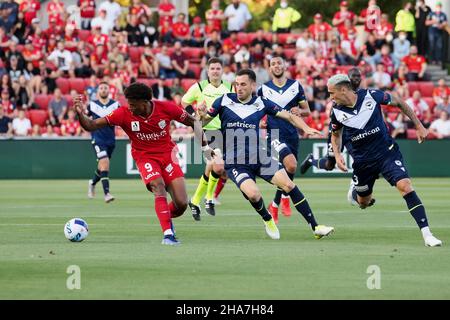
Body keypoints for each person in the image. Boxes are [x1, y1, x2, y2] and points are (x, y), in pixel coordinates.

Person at [198, 69, 334, 240]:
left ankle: (316, 227)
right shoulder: (224, 101)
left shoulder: (261, 102)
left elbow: (290, 117)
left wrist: (306, 128)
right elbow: (200, 124)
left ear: (253, 85)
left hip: (259, 156)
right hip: (235, 161)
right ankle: (267, 218)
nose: (238, 88)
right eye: (236, 84)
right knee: (254, 194)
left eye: (243, 84)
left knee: (289, 185)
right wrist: (200, 115)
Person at [74, 82, 213, 245]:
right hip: (144, 157)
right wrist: (80, 114)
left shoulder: (166, 108)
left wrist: (205, 148)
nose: (130, 107)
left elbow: (193, 122)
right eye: (128, 104)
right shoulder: (122, 113)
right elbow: (91, 125)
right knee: (158, 187)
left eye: (133, 104)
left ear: (145, 102)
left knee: (182, 204)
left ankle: (164, 216)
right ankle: (168, 234)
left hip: (168, 156)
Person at [327, 74, 442, 247]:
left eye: (331, 93)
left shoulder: (371, 96)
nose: (331, 97)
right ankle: (354, 193)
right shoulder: (336, 111)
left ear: (343, 89)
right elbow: (335, 135)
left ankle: (427, 235)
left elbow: (400, 103)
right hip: (362, 162)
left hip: (386, 153)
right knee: (363, 203)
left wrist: (418, 125)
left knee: (405, 186)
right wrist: (337, 155)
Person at [257, 56, 310, 223]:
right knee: (291, 164)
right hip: (274, 135)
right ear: (269, 68)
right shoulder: (263, 89)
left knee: (290, 169)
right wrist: (261, 122)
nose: (277, 66)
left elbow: (307, 110)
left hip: (292, 133)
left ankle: (276, 203)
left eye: (279, 62)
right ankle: (283, 199)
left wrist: (299, 112)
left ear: (285, 65)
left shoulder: (295, 86)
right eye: (273, 64)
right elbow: (256, 112)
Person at [182, 57, 233, 220]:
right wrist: (194, 117)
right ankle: (209, 197)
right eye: (213, 68)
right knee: (218, 167)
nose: (215, 71)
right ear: (207, 70)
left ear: (222, 70)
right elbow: (184, 101)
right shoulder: (199, 86)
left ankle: (196, 200)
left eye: (218, 68)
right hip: (206, 130)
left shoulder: (229, 87)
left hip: (224, 131)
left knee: (212, 166)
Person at [300, 67, 362, 174]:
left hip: (352, 131)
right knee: (330, 165)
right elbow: (332, 113)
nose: (357, 78)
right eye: (354, 76)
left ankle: (359, 185)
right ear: (348, 79)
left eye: (358, 76)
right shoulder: (340, 92)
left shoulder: (362, 94)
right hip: (338, 130)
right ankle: (311, 160)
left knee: (360, 159)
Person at [86, 82, 120, 203]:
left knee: (102, 167)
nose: (104, 90)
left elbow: (122, 119)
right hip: (97, 139)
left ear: (109, 90)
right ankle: (107, 193)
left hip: (110, 140)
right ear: (98, 91)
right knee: (105, 163)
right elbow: (84, 118)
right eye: (101, 88)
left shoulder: (115, 105)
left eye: (106, 88)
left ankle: (92, 182)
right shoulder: (92, 105)